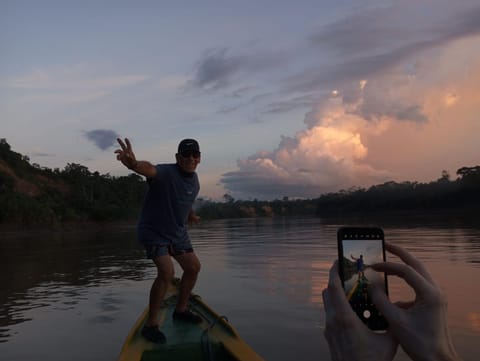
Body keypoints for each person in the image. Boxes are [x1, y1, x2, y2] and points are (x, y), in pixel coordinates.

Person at [115, 137, 202, 344]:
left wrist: (190, 214)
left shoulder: (195, 180)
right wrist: (134, 165)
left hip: (177, 233)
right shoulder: (166, 172)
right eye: (186, 155)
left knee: (193, 267)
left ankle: (180, 310)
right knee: (167, 272)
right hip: (154, 232)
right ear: (177, 157)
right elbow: (150, 169)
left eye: (194, 155)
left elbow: (184, 198)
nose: (190, 158)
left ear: (199, 158)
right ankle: (151, 324)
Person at [322, 242, 463, 361]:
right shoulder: (359, 261)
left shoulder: (360, 261)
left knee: (363, 281)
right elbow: (354, 258)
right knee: (362, 280)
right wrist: (439, 355)